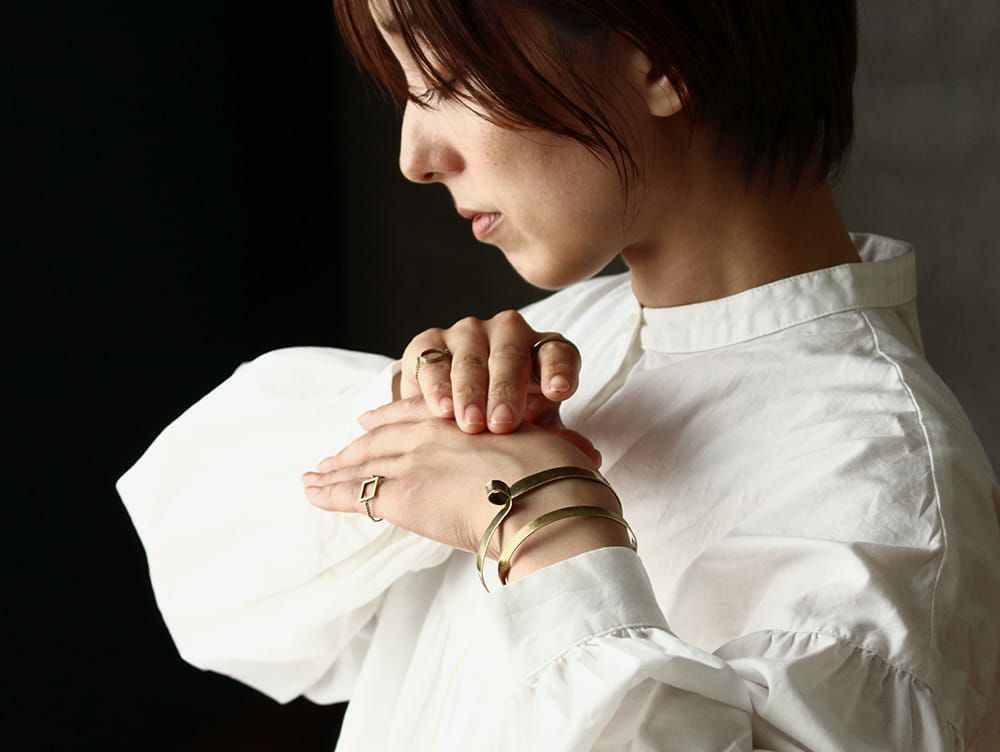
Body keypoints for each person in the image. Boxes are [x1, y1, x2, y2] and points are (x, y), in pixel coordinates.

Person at [117, 1, 1000, 749]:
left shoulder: (884, 493)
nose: (413, 155)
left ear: (659, 59)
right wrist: (420, 411)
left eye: (443, 76)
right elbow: (221, 596)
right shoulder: (569, 343)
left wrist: (546, 530)